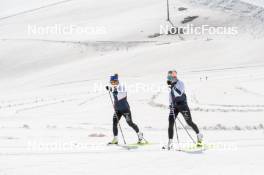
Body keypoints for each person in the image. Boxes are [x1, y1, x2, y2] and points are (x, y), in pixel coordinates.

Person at [166, 70, 203, 149]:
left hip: (183, 105)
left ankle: (199, 135)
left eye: (170, 77)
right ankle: (170, 141)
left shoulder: (180, 83)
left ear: (174, 76)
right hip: (175, 106)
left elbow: (179, 93)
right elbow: (170, 95)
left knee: (189, 122)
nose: (168, 78)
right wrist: (170, 104)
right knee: (170, 122)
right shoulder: (171, 85)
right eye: (168, 77)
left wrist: (173, 87)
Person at [106, 74, 143, 144]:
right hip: (118, 110)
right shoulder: (114, 88)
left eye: (114, 82)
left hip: (125, 109)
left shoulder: (122, 87)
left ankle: (140, 134)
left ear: (117, 81)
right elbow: (114, 93)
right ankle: (115, 139)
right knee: (114, 123)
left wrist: (112, 90)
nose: (113, 83)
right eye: (111, 82)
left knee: (130, 123)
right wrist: (110, 89)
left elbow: (120, 96)